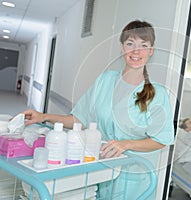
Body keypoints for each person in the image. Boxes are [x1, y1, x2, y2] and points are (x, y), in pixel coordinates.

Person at [21, 20, 174, 199]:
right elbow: (79, 119)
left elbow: (161, 139)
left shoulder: (157, 94)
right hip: (101, 170)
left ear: (151, 51)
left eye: (143, 45)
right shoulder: (105, 80)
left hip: (134, 178)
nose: (136, 51)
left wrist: (126, 144)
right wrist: (43, 116)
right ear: (122, 47)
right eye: (130, 43)